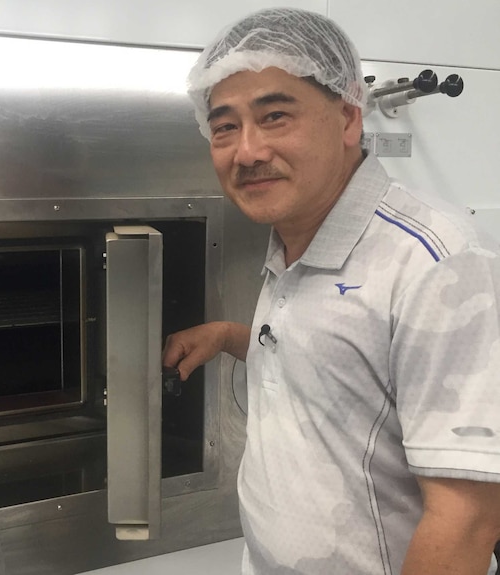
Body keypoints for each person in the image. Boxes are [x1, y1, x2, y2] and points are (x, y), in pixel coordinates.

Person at [162, 8, 500, 574]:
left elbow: (466, 520)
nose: (246, 151)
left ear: (348, 119)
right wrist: (225, 336)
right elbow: (338, 360)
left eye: (274, 116)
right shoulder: (294, 238)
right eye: (224, 126)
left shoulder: (438, 265)